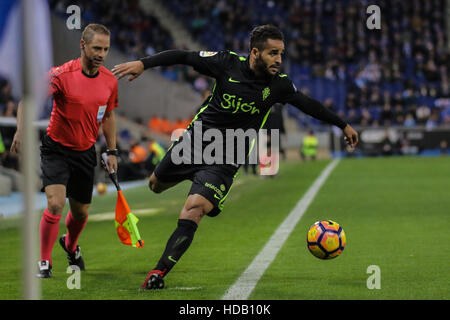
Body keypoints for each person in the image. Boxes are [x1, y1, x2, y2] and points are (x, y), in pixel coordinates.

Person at [112, 24, 358, 289]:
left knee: (194, 209)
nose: (278, 60)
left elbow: (309, 105)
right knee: (154, 185)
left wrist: (342, 124)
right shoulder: (226, 63)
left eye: (281, 53)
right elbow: (184, 56)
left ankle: (158, 272)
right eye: (273, 53)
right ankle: (196, 181)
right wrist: (143, 63)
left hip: (226, 157)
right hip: (195, 143)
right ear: (255, 52)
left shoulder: (279, 85)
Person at [10, 24, 119, 278]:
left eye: (105, 49)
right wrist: (20, 130)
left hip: (85, 152)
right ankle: (44, 262)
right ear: (83, 45)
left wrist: (113, 151)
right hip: (56, 148)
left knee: (81, 213)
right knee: (56, 203)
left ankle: (70, 245)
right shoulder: (60, 75)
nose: (102, 54)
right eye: (96, 48)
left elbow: (109, 115)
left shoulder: (109, 81)